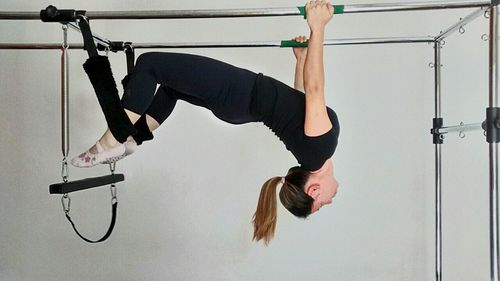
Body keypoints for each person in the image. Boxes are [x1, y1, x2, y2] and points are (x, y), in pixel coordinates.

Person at [72, 0, 340, 244]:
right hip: (238, 102)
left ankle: (111, 140)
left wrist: (318, 27)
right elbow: (303, 100)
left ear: (313, 191)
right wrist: (302, 59)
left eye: (323, 205)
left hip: (239, 94)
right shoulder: (314, 153)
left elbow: (315, 90)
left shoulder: (318, 151)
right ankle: (134, 138)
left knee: (150, 64)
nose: (329, 202)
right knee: (170, 87)